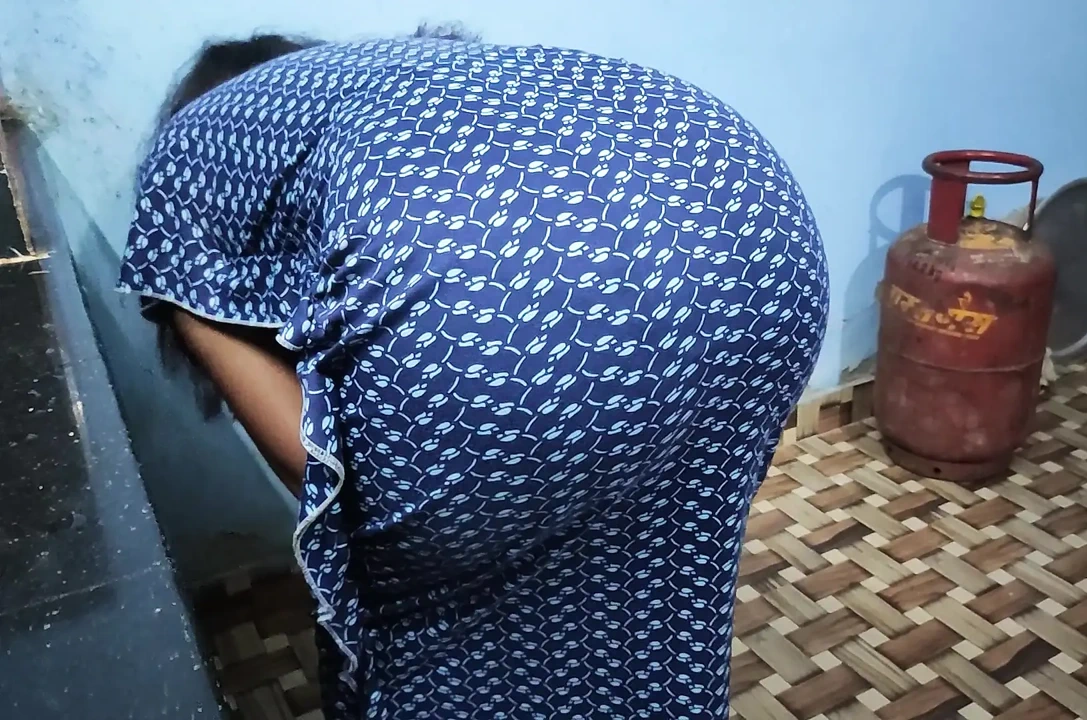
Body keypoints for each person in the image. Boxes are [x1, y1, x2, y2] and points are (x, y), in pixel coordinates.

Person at [119, 27, 828, 719]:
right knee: (659, 548)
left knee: (428, 607)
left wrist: (184, 306)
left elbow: (328, 483)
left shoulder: (195, 165)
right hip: (757, 234)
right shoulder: (401, 80)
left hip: (499, 340)